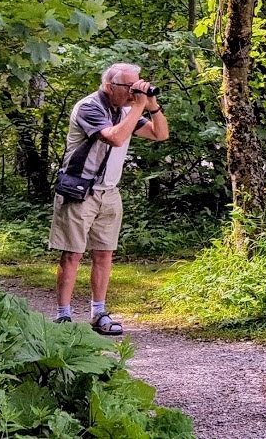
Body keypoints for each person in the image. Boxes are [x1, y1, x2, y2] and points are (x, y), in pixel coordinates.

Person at [48, 62, 168, 335]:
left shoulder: (126, 108)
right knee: (72, 255)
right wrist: (137, 106)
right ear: (108, 86)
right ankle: (63, 317)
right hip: (80, 189)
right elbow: (114, 138)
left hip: (109, 192)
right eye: (128, 86)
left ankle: (98, 313)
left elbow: (160, 134)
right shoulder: (89, 106)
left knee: (104, 254)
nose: (132, 92)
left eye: (136, 85)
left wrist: (152, 105)